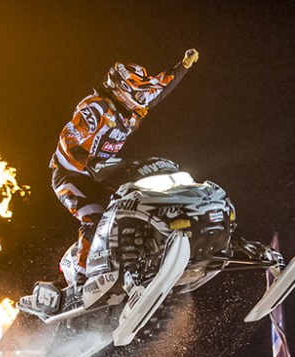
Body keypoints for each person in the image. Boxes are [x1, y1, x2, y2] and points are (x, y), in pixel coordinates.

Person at [22, 49, 199, 319]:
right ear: (120, 89)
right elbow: (69, 140)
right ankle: (80, 280)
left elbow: (160, 88)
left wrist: (183, 66)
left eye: (142, 92)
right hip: (72, 175)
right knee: (94, 216)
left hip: (103, 172)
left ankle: (140, 258)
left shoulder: (132, 102)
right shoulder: (95, 108)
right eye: (137, 92)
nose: (142, 98)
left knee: (134, 203)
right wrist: (89, 162)